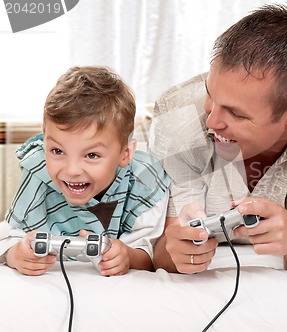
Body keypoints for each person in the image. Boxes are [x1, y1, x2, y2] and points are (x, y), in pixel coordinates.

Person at [149, 4, 287, 274]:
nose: (212, 122)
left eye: (235, 113)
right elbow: (162, 250)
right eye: (211, 95)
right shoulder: (177, 117)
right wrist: (177, 252)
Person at [0, 66, 171, 276]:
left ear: (125, 154)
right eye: (57, 150)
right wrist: (14, 255)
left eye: (91, 155)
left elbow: (153, 255)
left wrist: (127, 255)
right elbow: (9, 236)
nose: (71, 170)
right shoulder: (38, 172)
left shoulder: (144, 181)